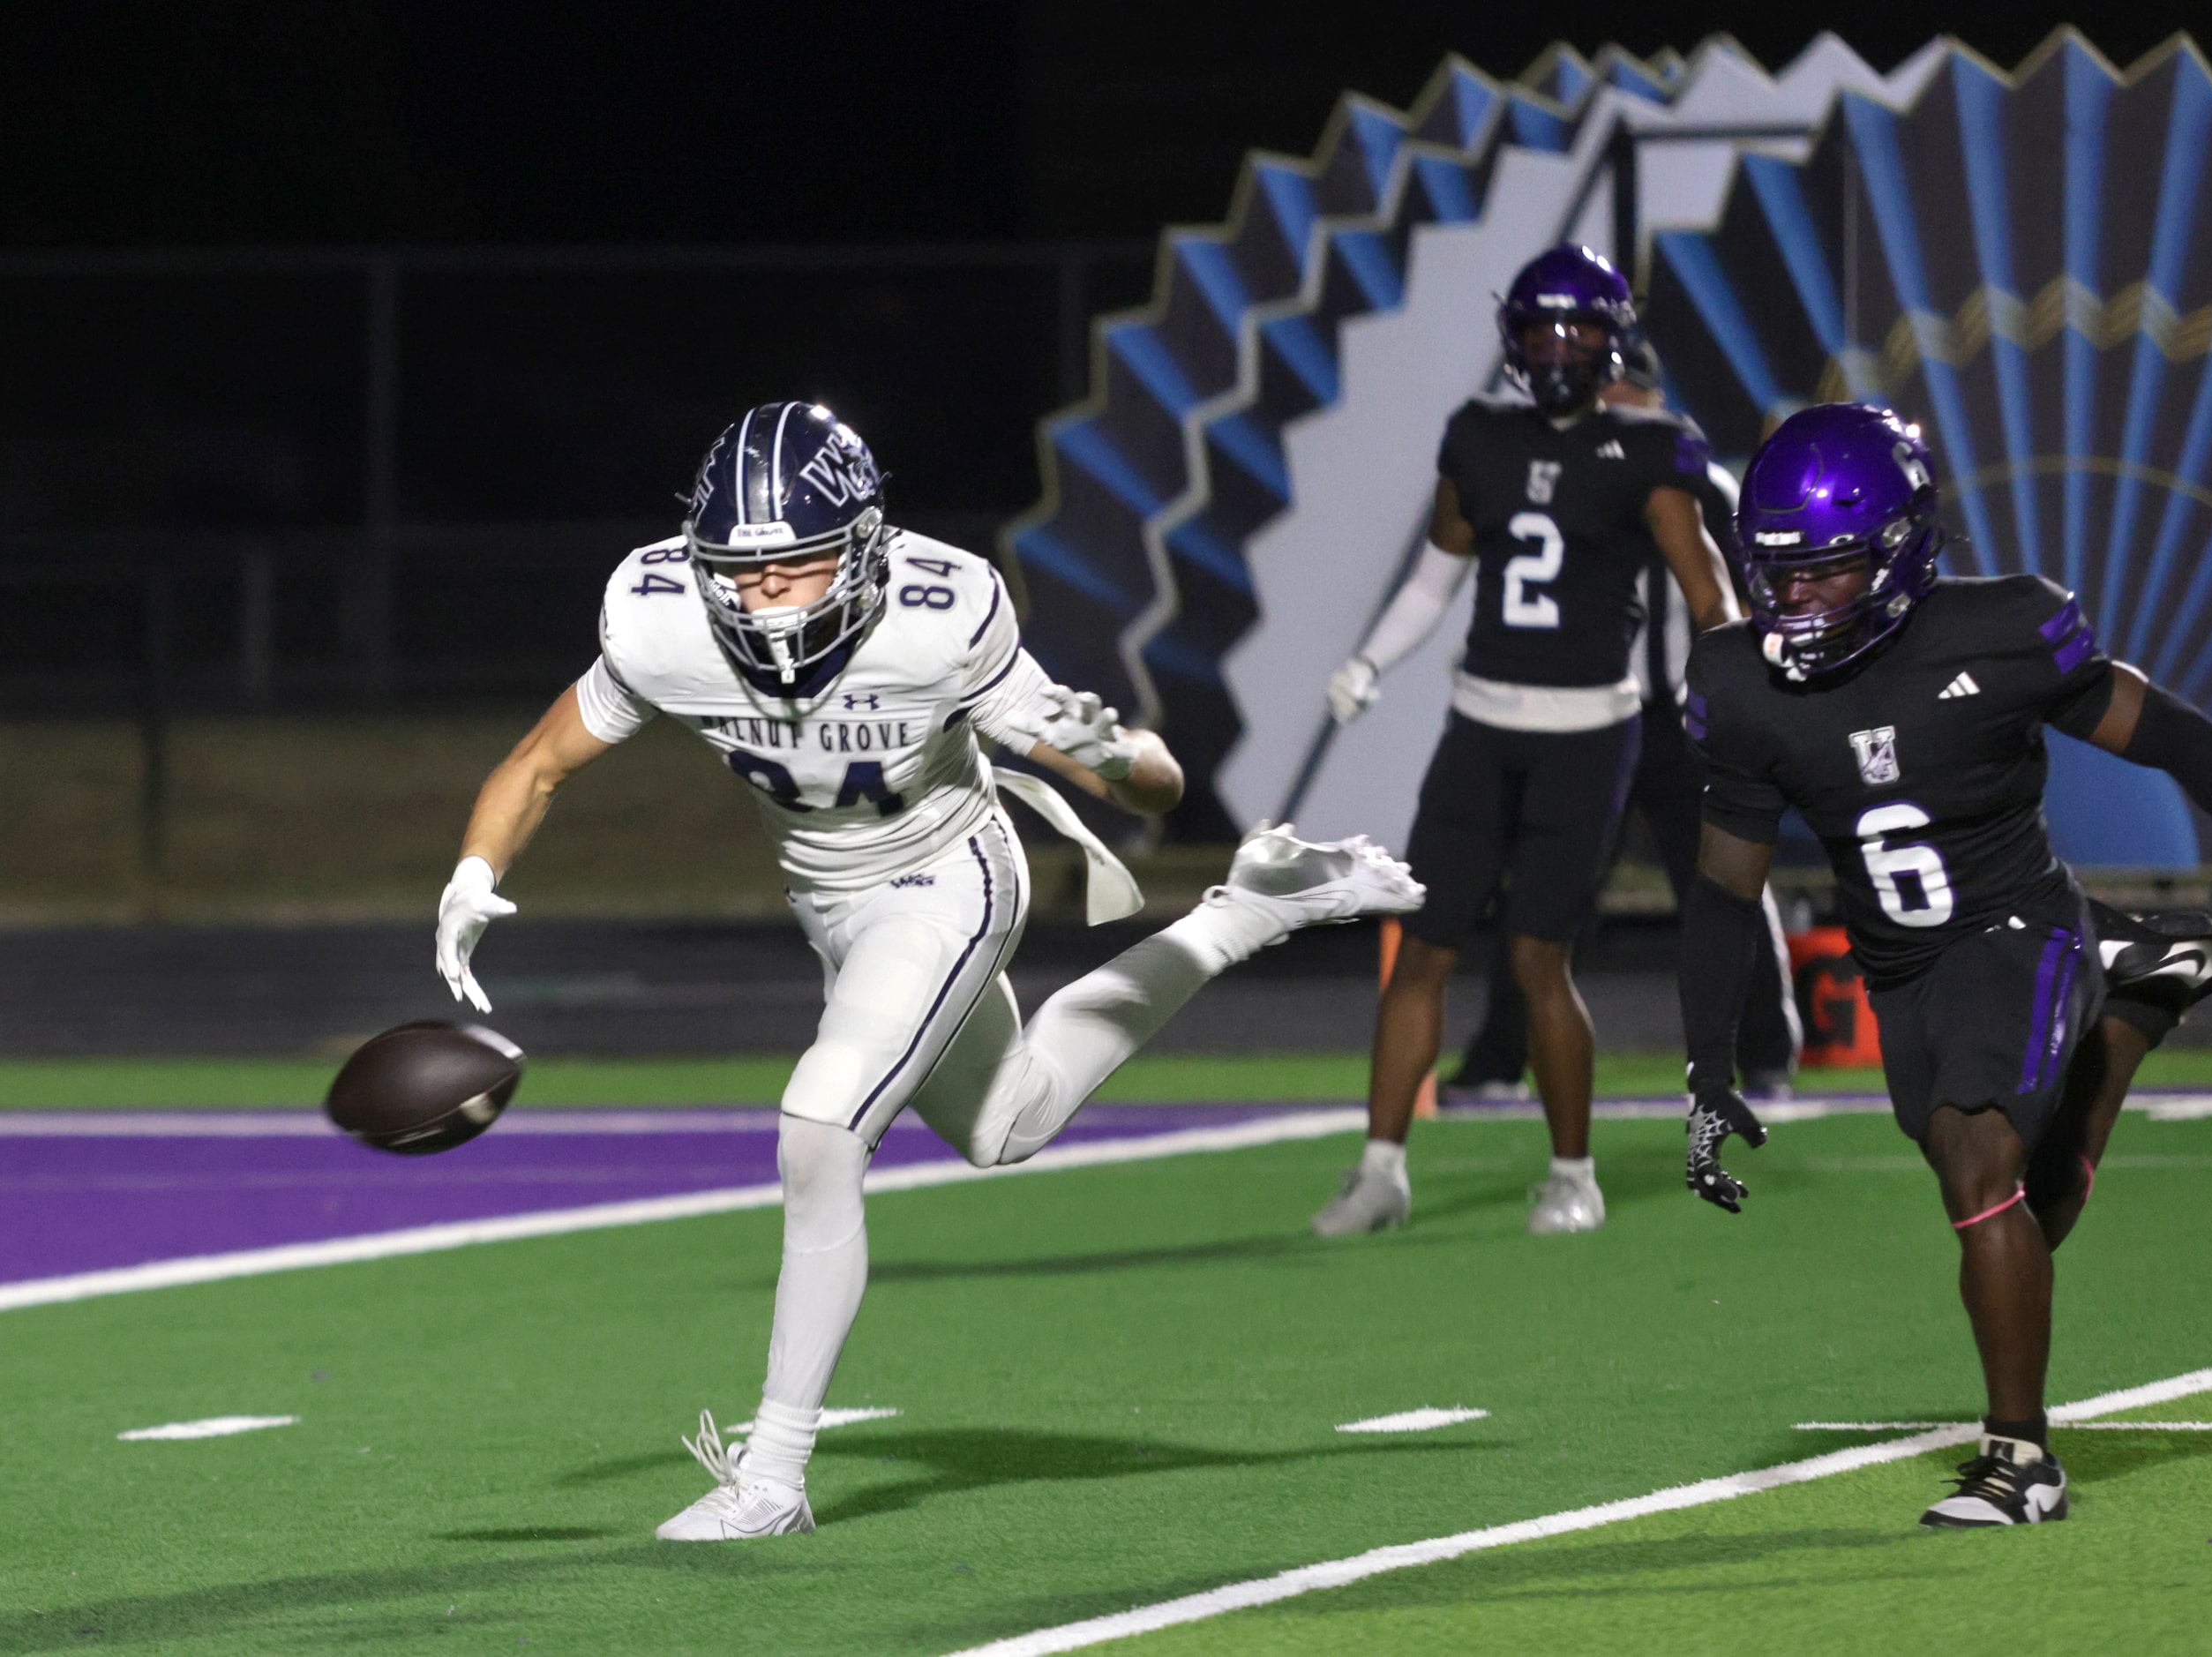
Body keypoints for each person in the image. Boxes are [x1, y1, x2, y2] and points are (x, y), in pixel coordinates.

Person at [433, 401, 1422, 1541]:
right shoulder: (663, 623)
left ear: (859, 548)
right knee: (1008, 1123)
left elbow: (1154, 789)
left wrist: (1119, 753)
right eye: (740, 575)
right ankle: (1248, 912)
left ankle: (774, 1475)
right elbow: (539, 762)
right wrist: (471, 874)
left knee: (818, 1126)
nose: (766, 600)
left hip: (948, 882)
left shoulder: (934, 617)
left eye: (796, 569)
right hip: (831, 906)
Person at [1676, 402, 2212, 1528]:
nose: (1791, 602)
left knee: (1974, 1153)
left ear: (1901, 551)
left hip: (2017, 922)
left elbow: (2178, 736)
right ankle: (2134, 1011)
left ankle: (2021, 1460)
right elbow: (1722, 892)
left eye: (1825, 574)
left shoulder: (2001, 633)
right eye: (1777, 576)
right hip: (1901, 965)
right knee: (2014, 1209)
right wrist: (1709, 1066)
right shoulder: (1740, 685)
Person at [1312, 245, 1736, 1237]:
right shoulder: (1477, 437)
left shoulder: (1649, 448)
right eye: (1541, 329)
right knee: (1422, 947)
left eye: (1579, 329)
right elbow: (1436, 572)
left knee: (1541, 957)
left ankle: (1572, 1172)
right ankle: (1380, 1169)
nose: (1558, 348)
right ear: (1512, 338)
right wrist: (1369, 662)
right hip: (1480, 723)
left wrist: (1753, 690)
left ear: (1611, 339)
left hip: (1587, 733)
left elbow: (1708, 596)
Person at [1447, 341, 1801, 1101]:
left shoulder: (1695, 479)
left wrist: (1743, 697)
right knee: (1540, 889)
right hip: (1587, 714)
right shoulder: (1569, 475)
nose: (1603, 410)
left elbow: (1741, 599)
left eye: (1616, 396)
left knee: (1723, 883)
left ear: (1646, 397)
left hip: (1680, 714)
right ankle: (1498, 1059)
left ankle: (1766, 1050)